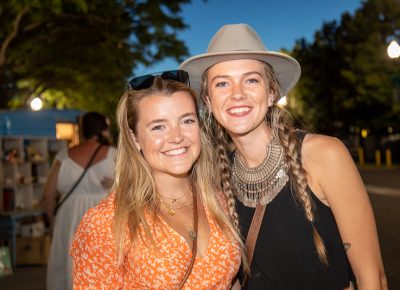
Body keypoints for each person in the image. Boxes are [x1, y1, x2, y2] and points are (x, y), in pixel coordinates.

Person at [180, 23, 388, 290]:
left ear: (271, 93)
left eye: (251, 80)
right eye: (222, 83)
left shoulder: (323, 155)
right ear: (208, 101)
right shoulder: (217, 180)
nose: (237, 94)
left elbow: (373, 279)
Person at [70, 72, 245, 289]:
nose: (176, 137)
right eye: (158, 127)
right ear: (135, 139)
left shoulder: (217, 201)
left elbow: (230, 281)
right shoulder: (106, 222)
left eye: (187, 120)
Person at [43, 111, 116, 290]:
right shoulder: (115, 154)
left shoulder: (63, 156)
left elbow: (48, 194)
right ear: (105, 129)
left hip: (68, 218)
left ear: (83, 131)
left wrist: (50, 222)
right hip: (102, 215)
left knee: (69, 265)